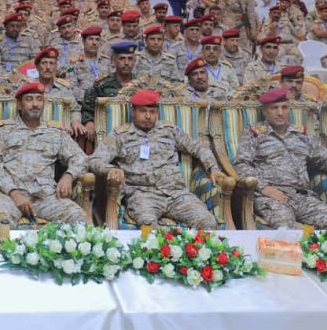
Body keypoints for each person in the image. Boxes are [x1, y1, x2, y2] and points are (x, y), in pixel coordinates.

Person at [90, 89, 229, 228]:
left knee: (208, 223)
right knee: (148, 225)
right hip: (143, 195)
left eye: (152, 112)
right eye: (143, 111)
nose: (148, 116)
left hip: (177, 194)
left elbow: (199, 148)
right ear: (133, 111)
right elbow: (94, 160)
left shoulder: (169, 130)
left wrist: (213, 168)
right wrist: (110, 169)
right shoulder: (120, 135)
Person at [234, 87, 327, 229]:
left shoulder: (302, 134)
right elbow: (242, 165)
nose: (280, 113)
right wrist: (265, 188)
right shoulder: (254, 134)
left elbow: (326, 159)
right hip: (272, 197)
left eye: (284, 107)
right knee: (286, 228)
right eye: (274, 108)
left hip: (303, 197)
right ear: (265, 111)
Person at [0, 82, 89, 224]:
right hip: (6, 195)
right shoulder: (3, 130)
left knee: (79, 219)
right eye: (29, 99)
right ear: (19, 105)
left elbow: (80, 157)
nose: (35, 104)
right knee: (0, 223)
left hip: (44, 196)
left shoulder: (55, 132)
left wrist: (69, 175)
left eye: (39, 99)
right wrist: (14, 193)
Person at [82, 42, 138, 138]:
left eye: (130, 59)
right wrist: (89, 122)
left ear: (134, 62)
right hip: (107, 133)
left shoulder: (141, 85)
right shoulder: (102, 84)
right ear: (113, 61)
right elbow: (87, 109)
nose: (126, 63)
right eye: (122, 58)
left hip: (134, 135)